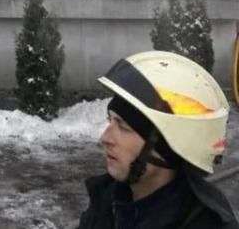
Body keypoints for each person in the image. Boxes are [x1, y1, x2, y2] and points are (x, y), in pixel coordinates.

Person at [77, 50, 237, 228]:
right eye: (110, 120)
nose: (105, 138)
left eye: (123, 126)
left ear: (166, 145)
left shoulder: (203, 223)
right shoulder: (106, 202)